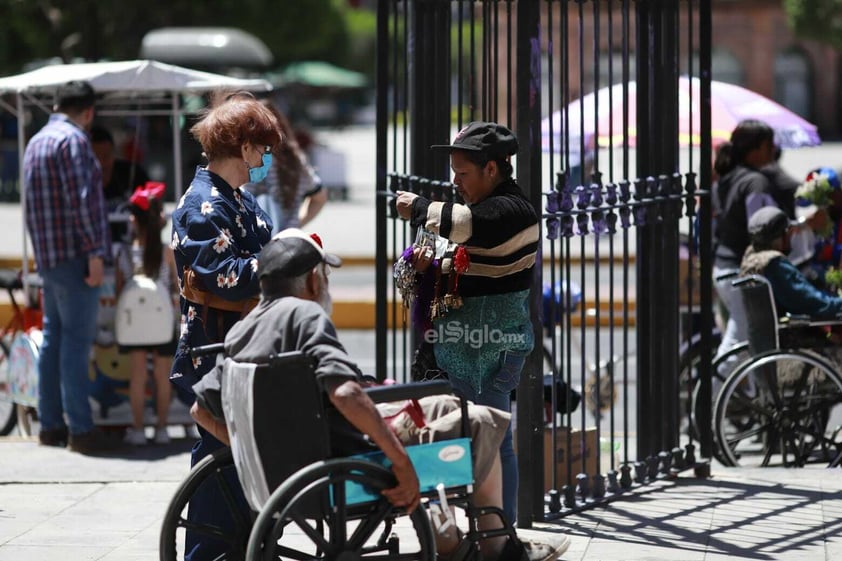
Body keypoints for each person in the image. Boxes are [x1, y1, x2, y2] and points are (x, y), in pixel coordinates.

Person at [190, 228, 570, 561]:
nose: (325, 283)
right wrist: (400, 461)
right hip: (347, 454)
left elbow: (200, 410)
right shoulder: (305, 317)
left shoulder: (243, 331)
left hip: (292, 467)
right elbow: (345, 393)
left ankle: (450, 540)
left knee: (445, 404)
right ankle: (500, 550)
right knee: (483, 421)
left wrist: (249, 452)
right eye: (323, 274)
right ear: (310, 281)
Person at [395, 121, 539, 524]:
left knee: (493, 440)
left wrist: (420, 208)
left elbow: (472, 227)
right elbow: (467, 259)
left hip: (490, 352)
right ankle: (480, 531)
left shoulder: (513, 210)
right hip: (465, 348)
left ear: (491, 169)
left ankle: (497, 532)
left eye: (463, 174)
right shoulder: (485, 206)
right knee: (472, 439)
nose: (457, 183)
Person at [169, 91, 280, 561]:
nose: (266, 157)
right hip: (216, 356)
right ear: (242, 145)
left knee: (250, 476)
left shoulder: (240, 201)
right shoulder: (203, 207)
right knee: (222, 474)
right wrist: (290, 259)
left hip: (246, 352)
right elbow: (226, 279)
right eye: (262, 147)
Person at [23, 80, 115, 454]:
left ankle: (50, 425)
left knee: (54, 340)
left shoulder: (36, 141)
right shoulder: (74, 141)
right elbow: (83, 204)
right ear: (88, 112)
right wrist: (95, 253)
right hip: (76, 257)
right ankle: (80, 428)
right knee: (75, 344)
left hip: (49, 257)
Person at [115, 182, 178, 446]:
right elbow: (175, 286)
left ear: (136, 221)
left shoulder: (126, 252)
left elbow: (120, 290)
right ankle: (162, 428)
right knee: (162, 375)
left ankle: (138, 429)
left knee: (138, 375)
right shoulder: (166, 252)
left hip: (135, 323)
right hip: (162, 320)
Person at [711, 119, 779, 357]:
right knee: (737, 342)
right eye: (769, 145)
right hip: (739, 271)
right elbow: (760, 226)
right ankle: (710, 392)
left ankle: (749, 391)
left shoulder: (729, 178)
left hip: (723, 267)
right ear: (758, 148)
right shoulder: (754, 182)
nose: (773, 150)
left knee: (747, 344)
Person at [741, 206, 842, 319]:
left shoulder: (750, 261)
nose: (791, 237)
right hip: (795, 334)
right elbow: (812, 302)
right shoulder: (774, 264)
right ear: (781, 236)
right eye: (788, 233)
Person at [248, 100, 327, 233]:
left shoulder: (254, 160)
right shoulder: (296, 159)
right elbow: (320, 197)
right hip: (287, 241)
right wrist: (295, 224)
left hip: (259, 243)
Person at [90, 125, 150, 244]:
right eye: (95, 158)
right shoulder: (79, 182)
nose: (101, 163)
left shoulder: (133, 174)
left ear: (114, 154)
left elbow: (154, 209)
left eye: (106, 156)